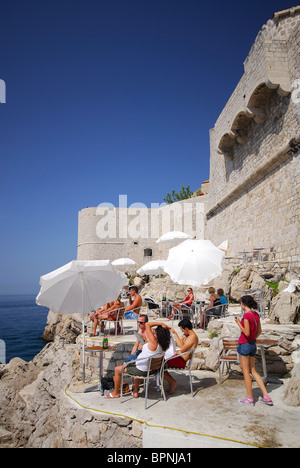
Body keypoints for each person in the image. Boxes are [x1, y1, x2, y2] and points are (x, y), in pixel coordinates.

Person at [105, 321, 171, 399]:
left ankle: (116, 393)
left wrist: (161, 324)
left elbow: (147, 324)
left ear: (158, 335)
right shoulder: (163, 345)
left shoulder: (154, 343)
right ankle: (135, 391)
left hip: (142, 370)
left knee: (117, 369)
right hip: (152, 370)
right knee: (136, 365)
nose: (154, 334)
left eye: (155, 333)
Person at [235, 295, 273, 406]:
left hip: (244, 344)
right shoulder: (256, 315)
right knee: (253, 371)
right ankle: (266, 396)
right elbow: (259, 331)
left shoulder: (246, 316)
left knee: (246, 373)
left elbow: (246, 333)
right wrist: (253, 338)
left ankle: (249, 399)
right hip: (252, 344)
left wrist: (238, 323)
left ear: (244, 304)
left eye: (241, 303)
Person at [163, 318, 199, 395]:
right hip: (179, 358)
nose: (182, 331)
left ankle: (172, 382)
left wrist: (182, 339)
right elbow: (181, 346)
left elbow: (182, 349)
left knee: (158, 364)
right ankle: (172, 382)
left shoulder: (192, 337)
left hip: (181, 361)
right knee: (159, 361)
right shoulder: (189, 336)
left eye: (182, 330)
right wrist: (175, 333)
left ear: (186, 328)